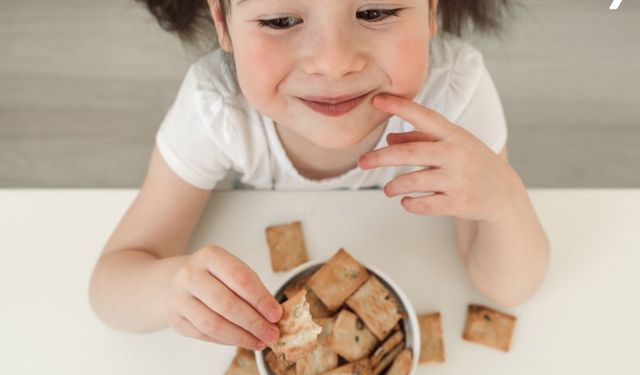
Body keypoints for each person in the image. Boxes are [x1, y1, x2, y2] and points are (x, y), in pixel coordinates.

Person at [89, 0, 550, 352]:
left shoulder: (455, 93)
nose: (333, 63)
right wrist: (167, 290)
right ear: (223, 21)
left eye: (374, 11)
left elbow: (509, 286)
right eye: (282, 21)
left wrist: (507, 201)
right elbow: (110, 285)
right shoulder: (215, 108)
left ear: (432, 9)